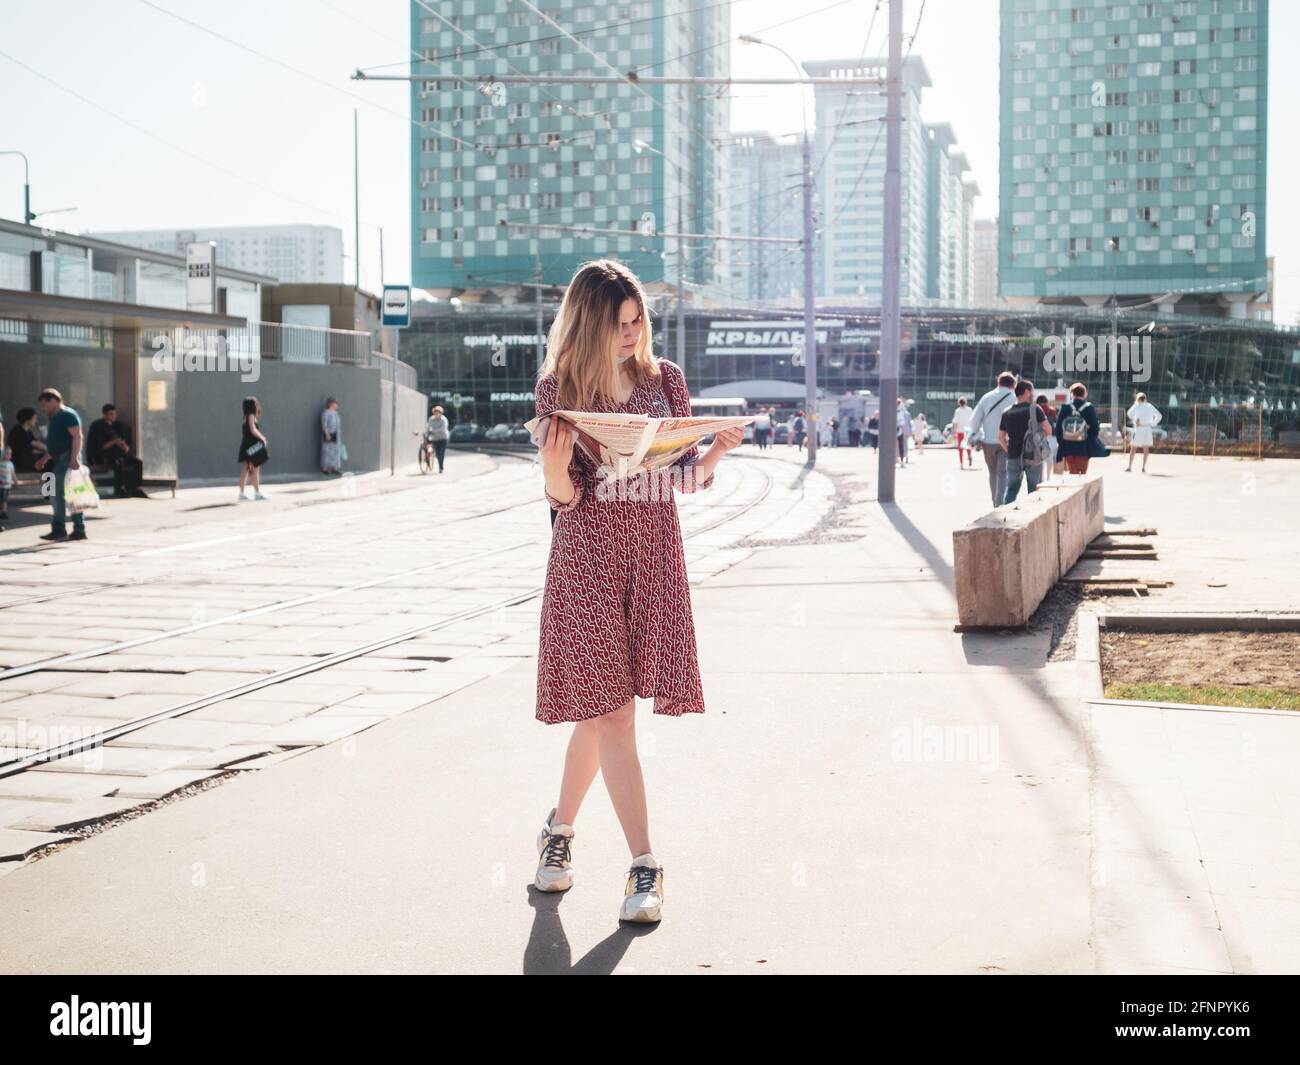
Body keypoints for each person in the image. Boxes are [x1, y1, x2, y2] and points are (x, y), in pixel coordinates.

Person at [531, 258, 743, 925]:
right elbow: (563, 500)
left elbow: (678, 479)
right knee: (612, 713)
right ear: (591, 323)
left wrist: (712, 456)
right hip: (588, 555)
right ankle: (645, 865)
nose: (630, 334)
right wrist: (550, 464)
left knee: (605, 713)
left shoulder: (665, 380)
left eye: (636, 321)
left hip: (652, 554)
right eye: (618, 324)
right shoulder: (559, 386)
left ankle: (558, 831)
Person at [34, 388, 86, 541]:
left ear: (54, 400)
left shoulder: (67, 415)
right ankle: (75, 529)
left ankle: (65, 529)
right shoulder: (55, 417)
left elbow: (77, 436)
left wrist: (74, 458)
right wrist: (45, 458)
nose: (43, 408)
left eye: (45, 404)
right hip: (60, 459)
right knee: (62, 494)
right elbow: (56, 442)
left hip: (66, 459)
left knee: (61, 495)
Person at [969, 371, 1018, 506]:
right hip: (1006, 441)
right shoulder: (1014, 398)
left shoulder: (986, 397)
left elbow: (974, 420)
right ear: (1013, 385)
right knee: (1003, 473)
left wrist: (976, 433)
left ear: (998, 382)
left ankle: (995, 502)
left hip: (988, 442)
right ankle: (1000, 503)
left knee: (992, 472)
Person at [999, 380, 1050, 504]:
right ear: (1027, 392)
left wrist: (1009, 450)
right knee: (1034, 490)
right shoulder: (1035, 409)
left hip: (1013, 456)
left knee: (1011, 490)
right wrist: (1039, 440)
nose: (1033, 394)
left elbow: (1001, 437)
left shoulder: (1007, 412)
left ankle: (1007, 515)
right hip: (1033, 455)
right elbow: (1048, 430)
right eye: (1032, 392)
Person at [86, 403, 145, 498]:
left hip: (118, 452)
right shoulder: (98, 426)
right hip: (102, 455)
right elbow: (100, 447)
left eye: (114, 414)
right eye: (111, 414)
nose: (113, 416)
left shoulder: (118, 426)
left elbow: (123, 441)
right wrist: (114, 441)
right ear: (104, 415)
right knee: (117, 462)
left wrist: (125, 446)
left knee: (137, 462)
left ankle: (137, 488)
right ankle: (120, 488)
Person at [1054, 381, 1105, 475]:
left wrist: (1061, 442)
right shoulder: (1089, 407)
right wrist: (1090, 439)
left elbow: (1058, 428)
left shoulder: (1065, 407)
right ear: (1084, 394)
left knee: (1072, 472)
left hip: (1068, 445)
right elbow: (1095, 427)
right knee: (1082, 474)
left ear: (1072, 393)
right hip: (1084, 446)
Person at [238, 396, 269, 501]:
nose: (257, 405)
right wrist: (262, 437)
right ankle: (257, 493)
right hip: (252, 446)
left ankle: (241, 493)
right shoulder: (251, 415)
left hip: (246, 445)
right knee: (255, 469)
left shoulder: (246, 416)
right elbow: (252, 429)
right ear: (252, 406)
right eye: (255, 403)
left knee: (246, 469)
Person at [1126, 392, 1163, 473]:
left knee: (1133, 448)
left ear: (1137, 399)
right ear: (1145, 398)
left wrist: (1135, 419)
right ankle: (1143, 467)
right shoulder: (1149, 406)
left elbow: (1129, 413)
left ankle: (1129, 467)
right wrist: (1153, 423)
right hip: (1147, 428)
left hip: (1139, 428)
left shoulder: (1137, 405)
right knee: (1146, 449)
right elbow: (1159, 415)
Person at [7, 407, 47, 472]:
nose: (36, 421)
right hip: (19, 460)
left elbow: (37, 443)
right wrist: (51, 451)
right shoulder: (18, 430)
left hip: (25, 458)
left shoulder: (27, 431)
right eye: (34, 418)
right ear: (27, 419)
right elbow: (36, 444)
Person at [1036, 394, 1059, 482]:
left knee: (1040, 457)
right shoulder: (1052, 410)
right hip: (1051, 436)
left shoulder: (1035, 409)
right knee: (1050, 457)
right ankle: (1048, 477)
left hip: (1039, 436)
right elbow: (1055, 423)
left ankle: (1040, 478)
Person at [320, 397, 343, 475]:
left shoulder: (336, 413)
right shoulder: (326, 413)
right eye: (336, 403)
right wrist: (327, 434)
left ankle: (334, 468)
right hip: (329, 434)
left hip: (336, 435)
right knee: (327, 451)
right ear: (331, 404)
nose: (337, 405)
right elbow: (324, 424)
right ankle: (325, 468)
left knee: (335, 451)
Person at [951, 397, 975, 468]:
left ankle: (961, 464)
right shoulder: (970, 410)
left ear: (959, 403)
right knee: (968, 446)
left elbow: (955, 422)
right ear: (966, 402)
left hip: (960, 431)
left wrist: (953, 431)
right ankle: (969, 455)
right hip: (968, 431)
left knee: (960, 448)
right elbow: (972, 420)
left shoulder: (957, 411)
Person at [424, 405, 450, 473]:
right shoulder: (431, 419)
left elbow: (443, 429)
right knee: (437, 454)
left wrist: (434, 431)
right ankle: (439, 464)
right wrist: (427, 433)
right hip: (435, 439)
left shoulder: (444, 420)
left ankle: (441, 467)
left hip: (443, 438)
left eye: (438, 413)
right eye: (435, 413)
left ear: (441, 413)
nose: (436, 414)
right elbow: (428, 427)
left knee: (441, 453)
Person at [896, 398, 912, 466]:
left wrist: (905, 431)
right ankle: (900, 459)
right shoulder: (902, 412)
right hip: (902, 431)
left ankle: (901, 458)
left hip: (901, 430)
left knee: (901, 445)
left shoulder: (902, 412)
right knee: (901, 445)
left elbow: (906, 423)